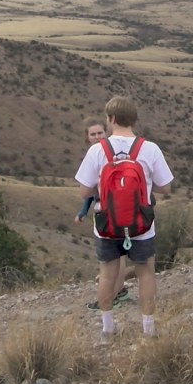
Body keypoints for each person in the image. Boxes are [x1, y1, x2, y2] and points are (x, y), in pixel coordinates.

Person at [75, 96, 173, 343]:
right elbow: (165, 187)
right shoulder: (149, 149)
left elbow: (84, 191)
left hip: (107, 225)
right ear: (133, 119)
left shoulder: (97, 150)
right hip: (141, 225)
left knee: (107, 274)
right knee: (146, 274)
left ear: (111, 119)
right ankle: (148, 330)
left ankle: (108, 330)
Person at [73, 117, 129, 310]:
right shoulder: (114, 149)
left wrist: (83, 211)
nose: (97, 137)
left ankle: (111, 296)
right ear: (87, 137)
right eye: (93, 134)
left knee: (110, 255)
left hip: (108, 210)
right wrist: (82, 211)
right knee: (119, 253)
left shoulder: (97, 153)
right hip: (121, 207)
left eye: (99, 133)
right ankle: (119, 291)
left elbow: (88, 190)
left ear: (106, 131)